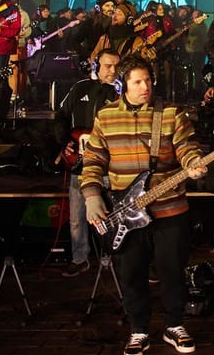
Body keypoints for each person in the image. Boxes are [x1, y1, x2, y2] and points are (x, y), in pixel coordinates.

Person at [81, 56, 205, 355]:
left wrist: (194, 164)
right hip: (126, 214)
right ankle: (138, 330)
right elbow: (94, 159)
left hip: (168, 209)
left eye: (148, 81)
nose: (145, 87)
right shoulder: (106, 116)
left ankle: (174, 325)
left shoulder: (172, 113)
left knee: (172, 270)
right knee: (131, 273)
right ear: (123, 85)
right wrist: (92, 195)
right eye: (137, 82)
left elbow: (187, 146)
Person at [53, 49, 119, 277]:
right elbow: (61, 115)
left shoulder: (121, 94)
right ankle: (79, 258)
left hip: (108, 164)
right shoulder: (79, 88)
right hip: (79, 163)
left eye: (116, 67)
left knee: (109, 212)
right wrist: (64, 142)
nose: (113, 71)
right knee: (76, 216)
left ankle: (109, 254)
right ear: (96, 66)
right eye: (108, 66)